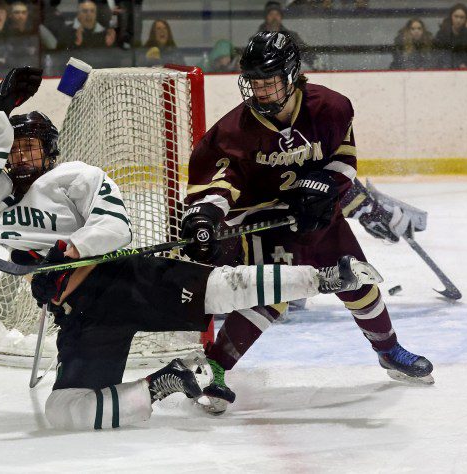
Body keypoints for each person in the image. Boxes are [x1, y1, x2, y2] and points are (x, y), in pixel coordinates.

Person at [0, 66, 381, 430]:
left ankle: (326, 277)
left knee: (217, 287)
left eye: (29, 146)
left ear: (50, 152)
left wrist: (72, 248)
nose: (21, 156)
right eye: (13, 148)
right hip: (81, 319)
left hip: (120, 281)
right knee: (64, 412)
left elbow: (116, 226)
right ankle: (166, 381)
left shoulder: (75, 176)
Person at [180, 31, 434, 415]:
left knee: (359, 279)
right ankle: (214, 366)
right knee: (273, 295)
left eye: (270, 83)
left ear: (292, 75)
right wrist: (206, 215)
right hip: (268, 222)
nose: (261, 92)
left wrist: (326, 185)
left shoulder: (330, 107)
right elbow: (222, 182)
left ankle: (387, 350)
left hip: (321, 217)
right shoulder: (234, 131)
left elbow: (344, 159)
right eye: (254, 84)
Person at [257, 1, 315, 69]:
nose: (274, 17)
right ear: (266, 17)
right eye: (271, 14)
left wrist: (315, 61)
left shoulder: (292, 36)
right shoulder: (256, 38)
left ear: (281, 17)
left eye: (277, 14)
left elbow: (305, 53)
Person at [434, 3, 467, 69]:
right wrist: (458, 64)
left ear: (466, 19)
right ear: (451, 17)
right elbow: (441, 54)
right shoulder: (442, 33)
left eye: (462, 17)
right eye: (456, 16)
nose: (458, 20)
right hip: (447, 68)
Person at [6, 1, 40, 67]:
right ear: (10, 15)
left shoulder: (34, 31)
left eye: (23, 12)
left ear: (27, 14)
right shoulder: (6, 33)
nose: (20, 16)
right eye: (17, 12)